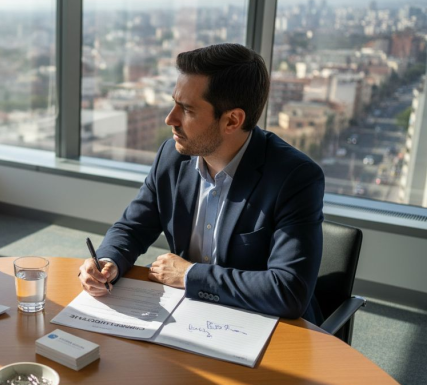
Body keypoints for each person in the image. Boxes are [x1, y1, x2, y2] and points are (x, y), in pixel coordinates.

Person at [78, 43, 325, 324]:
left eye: (187, 110)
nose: (170, 119)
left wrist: (189, 275)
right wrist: (108, 261)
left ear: (232, 120)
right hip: (186, 316)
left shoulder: (295, 177)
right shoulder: (171, 157)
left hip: (263, 326)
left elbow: (289, 290)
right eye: (174, 103)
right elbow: (132, 227)